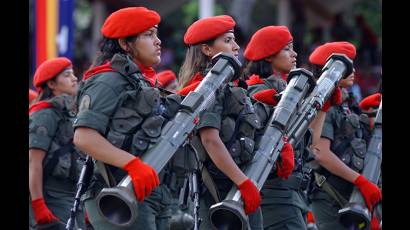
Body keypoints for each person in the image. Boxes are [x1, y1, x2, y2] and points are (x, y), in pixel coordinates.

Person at [73, 7, 183, 230]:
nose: (158, 41)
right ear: (125, 43)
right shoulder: (108, 80)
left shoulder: (140, 81)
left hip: (150, 194)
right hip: (116, 193)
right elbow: (84, 137)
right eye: (148, 35)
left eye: (156, 34)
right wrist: (132, 165)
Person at [177, 15, 263, 229]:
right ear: (207, 49)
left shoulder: (229, 86)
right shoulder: (208, 87)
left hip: (238, 186)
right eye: (227, 41)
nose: (236, 47)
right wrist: (243, 182)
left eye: (234, 40)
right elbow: (210, 140)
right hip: (220, 191)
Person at [242, 25, 314, 230]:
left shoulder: (288, 90)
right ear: (268, 56)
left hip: (292, 194)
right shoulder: (258, 91)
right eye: (287, 49)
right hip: (273, 194)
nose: (295, 54)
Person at [308, 41, 382, 230]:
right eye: (346, 65)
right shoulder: (324, 103)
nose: (353, 69)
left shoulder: (348, 102)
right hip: (329, 195)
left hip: (350, 194)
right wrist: (360, 181)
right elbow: (320, 152)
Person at [29, 57, 84, 229]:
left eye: (73, 74)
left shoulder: (69, 113)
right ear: (52, 84)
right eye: (67, 75)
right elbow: (33, 162)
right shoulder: (46, 114)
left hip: (71, 193)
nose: (74, 78)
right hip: (52, 195)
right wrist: (38, 204)